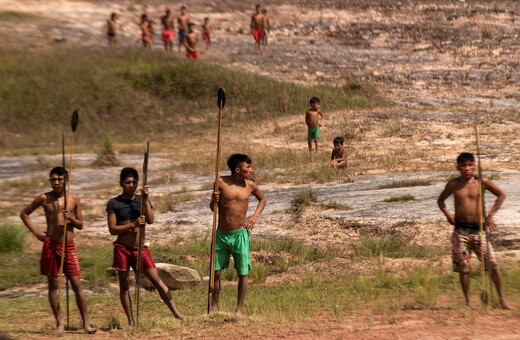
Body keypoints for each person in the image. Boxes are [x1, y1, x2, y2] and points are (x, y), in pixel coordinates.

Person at [20, 167, 96, 334]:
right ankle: (59, 324)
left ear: (66, 181)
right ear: (50, 181)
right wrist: (36, 232)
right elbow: (24, 214)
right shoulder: (44, 198)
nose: (56, 182)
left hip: (68, 246)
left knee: (76, 284)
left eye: (60, 179)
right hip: (51, 244)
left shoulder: (74, 199)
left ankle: (86, 324)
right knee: (53, 284)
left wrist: (71, 218)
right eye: (53, 179)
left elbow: (81, 225)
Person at [107, 167, 183, 326]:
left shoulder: (142, 200)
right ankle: (131, 321)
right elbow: (112, 229)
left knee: (157, 281)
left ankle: (176, 313)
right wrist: (132, 225)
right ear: (121, 183)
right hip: (122, 248)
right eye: (127, 182)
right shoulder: (114, 203)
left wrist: (145, 200)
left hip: (140, 249)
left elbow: (150, 220)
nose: (131, 185)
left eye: (134, 182)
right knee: (124, 285)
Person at [437, 152, 510, 309]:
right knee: (463, 268)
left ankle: (502, 300)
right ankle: (468, 302)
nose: (467, 169)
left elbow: (501, 195)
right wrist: (448, 214)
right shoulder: (453, 184)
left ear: (475, 166)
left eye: (470, 165)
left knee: (492, 265)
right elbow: (440, 200)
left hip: (480, 231)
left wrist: (490, 215)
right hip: (460, 231)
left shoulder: (481, 181)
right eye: (464, 166)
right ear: (458, 167)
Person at [209, 154, 267, 316]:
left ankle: (239, 309)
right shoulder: (220, 182)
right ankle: (215, 305)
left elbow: (262, 200)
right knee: (216, 271)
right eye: (248, 167)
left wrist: (254, 217)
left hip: (240, 234)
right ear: (237, 169)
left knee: (243, 273)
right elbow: (213, 209)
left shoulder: (250, 185)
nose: (251, 170)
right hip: (221, 234)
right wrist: (213, 201)